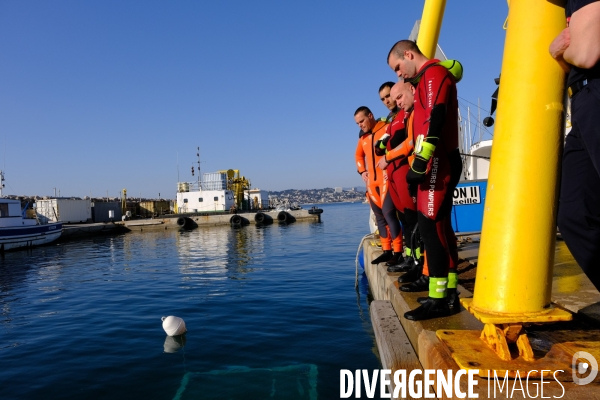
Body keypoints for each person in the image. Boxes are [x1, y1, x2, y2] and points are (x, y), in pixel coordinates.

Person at [388, 40, 462, 321]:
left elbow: (437, 116)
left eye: (398, 67)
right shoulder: (426, 79)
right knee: (439, 227)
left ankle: (438, 299)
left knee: (430, 227)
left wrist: (421, 161)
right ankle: (448, 293)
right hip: (436, 161)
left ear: (408, 55)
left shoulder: (432, 73)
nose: (399, 74)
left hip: (437, 162)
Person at [550, 0, 600, 290]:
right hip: (582, 101)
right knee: (574, 214)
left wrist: (555, 50)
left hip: (594, 92)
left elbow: (585, 52)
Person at [376, 82, 423, 274]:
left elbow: (409, 141)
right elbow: (379, 147)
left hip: (403, 169)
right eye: (384, 99)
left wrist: (387, 154)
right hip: (392, 173)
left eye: (390, 96)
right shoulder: (391, 119)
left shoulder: (406, 114)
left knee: (412, 217)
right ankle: (409, 257)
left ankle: (418, 261)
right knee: (403, 217)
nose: (388, 101)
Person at [354, 106, 402, 265]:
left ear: (370, 116)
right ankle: (387, 251)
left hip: (385, 180)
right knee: (380, 219)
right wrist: (362, 172)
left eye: (362, 121)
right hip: (371, 184)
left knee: (389, 215)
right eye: (357, 123)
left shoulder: (385, 128)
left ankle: (398, 251)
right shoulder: (363, 138)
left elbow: (396, 148)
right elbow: (358, 156)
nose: (360, 125)